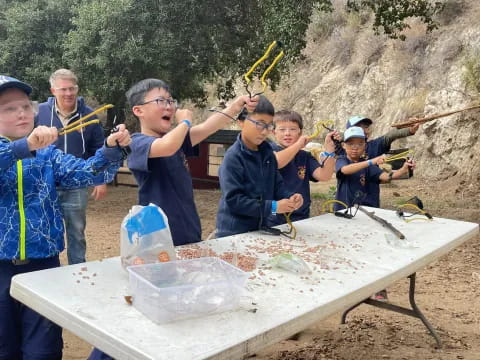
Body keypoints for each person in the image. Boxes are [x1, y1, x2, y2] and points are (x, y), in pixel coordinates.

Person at [0, 75, 130, 360]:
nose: (22, 112)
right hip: (0, 270)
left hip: (43, 268)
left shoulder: (47, 155)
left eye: (25, 106)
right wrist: (24, 147)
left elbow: (87, 171)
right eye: (9, 108)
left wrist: (110, 147)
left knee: (42, 351)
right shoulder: (23, 149)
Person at [126, 78, 259, 246]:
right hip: (158, 238)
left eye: (170, 101)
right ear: (139, 111)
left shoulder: (176, 139)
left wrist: (236, 106)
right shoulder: (136, 143)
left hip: (188, 229)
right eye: (160, 101)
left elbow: (207, 127)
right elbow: (167, 147)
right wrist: (185, 122)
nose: (169, 106)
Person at [35, 69, 108, 265]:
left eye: (72, 88)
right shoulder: (40, 112)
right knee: (47, 228)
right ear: (53, 90)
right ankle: (50, 269)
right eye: (63, 89)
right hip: (46, 182)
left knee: (76, 231)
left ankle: (77, 271)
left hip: (77, 184)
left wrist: (100, 180)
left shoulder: (90, 115)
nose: (68, 93)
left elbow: (98, 149)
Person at [335, 126, 415, 301]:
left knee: (374, 249)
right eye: (351, 143)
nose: (355, 147)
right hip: (345, 216)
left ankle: (379, 287)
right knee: (345, 251)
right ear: (344, 145)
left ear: (365, 145)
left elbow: (385, 177)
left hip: (367, 215)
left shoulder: (368, 166)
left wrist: (403, 170)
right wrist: (371, 161)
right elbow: (344, 171)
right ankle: (347, 287)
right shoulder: (342, 160)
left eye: (359, 143)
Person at [216, 96, 304, 238]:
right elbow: (235, 201)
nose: (264, 131)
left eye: (269, 126)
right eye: (260, 124)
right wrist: (274, 207)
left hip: (261, 229)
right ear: (241, 122)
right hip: (234, 233)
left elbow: (277, 185)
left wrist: (290, 197)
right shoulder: (233, 158)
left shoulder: (267, 153)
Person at [267, 110, 338, 226]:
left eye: (293, 129)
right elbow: (277, 162)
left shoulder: (304, 156)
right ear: (273, 132)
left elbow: (324, 176)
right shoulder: (268, 151)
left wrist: (330, 150)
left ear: (300, 133)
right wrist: (299, 144)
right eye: (282, 129)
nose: (287, 133)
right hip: (273, 218)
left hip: (302, 217)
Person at [339, 115, 419, 207]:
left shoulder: (374, 145)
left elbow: (390, 136)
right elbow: (343, 169)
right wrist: (371, 161)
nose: (365, 130)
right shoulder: (342, 153)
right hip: (346, 205)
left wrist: (410, 129)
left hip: (371, 201)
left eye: (366, 127)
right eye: (360, 127)